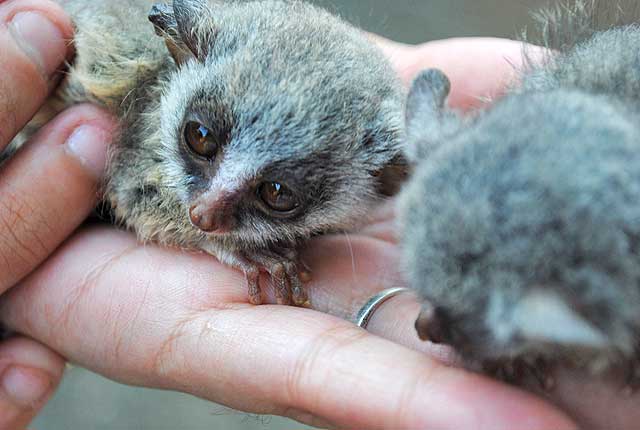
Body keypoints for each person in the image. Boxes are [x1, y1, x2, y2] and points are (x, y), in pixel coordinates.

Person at [0, 1, 637, 429]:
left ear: (383, 183)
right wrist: (230, 242)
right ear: (183, 50)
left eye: (278, 193)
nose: (208, 207)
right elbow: (139, 187)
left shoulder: (383, 168)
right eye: (200, 139)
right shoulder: (165, 65)